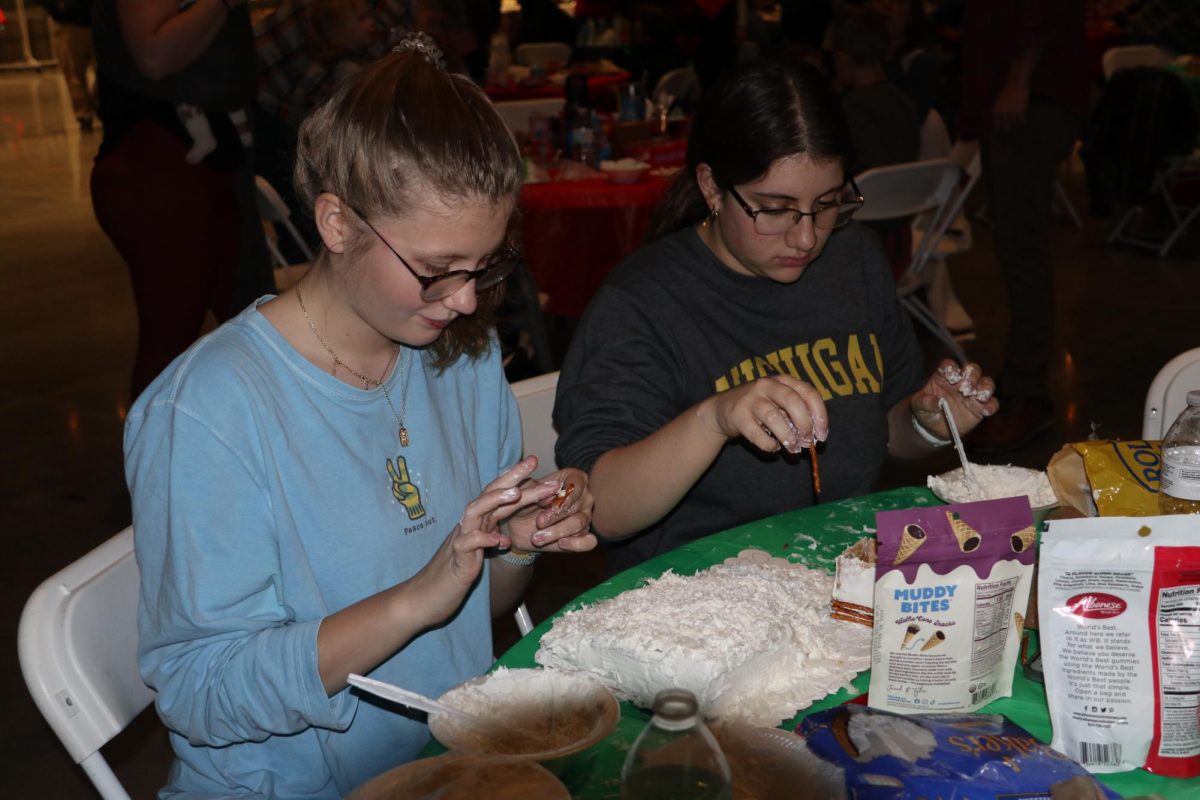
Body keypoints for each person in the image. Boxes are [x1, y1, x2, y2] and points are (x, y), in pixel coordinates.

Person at [125, 36, 597, 798]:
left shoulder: (461, 354)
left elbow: (477, 609)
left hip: (445, 767)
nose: (468, 300)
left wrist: (514, 544)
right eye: (437, 271)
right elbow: (199, 691)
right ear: (338, 224)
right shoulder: (211, 411)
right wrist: (414, 596)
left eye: (484, 266)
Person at [553, 59, 997, 576]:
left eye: (827, 204)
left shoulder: (854, 260)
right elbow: (601, 510)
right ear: (712, 188)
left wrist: (930, 424)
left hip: (842, 577)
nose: (806, 237)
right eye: (774, 208)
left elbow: (886, 427)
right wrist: (714, 418)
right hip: (697, 597)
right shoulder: (642, 303)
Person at [91, 0, 275, 399]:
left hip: (198, 159)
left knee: (245, 320)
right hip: (161, 162)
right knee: (171, 336)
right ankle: (156, 457)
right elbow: (154, 55)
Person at [956, 0, 1088, 454]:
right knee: (1017, 250)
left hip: (1029, 100)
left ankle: (1028, 393)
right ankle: (1022, 384)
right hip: (1020, 96)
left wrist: (1018, 80)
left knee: (1021, 250)